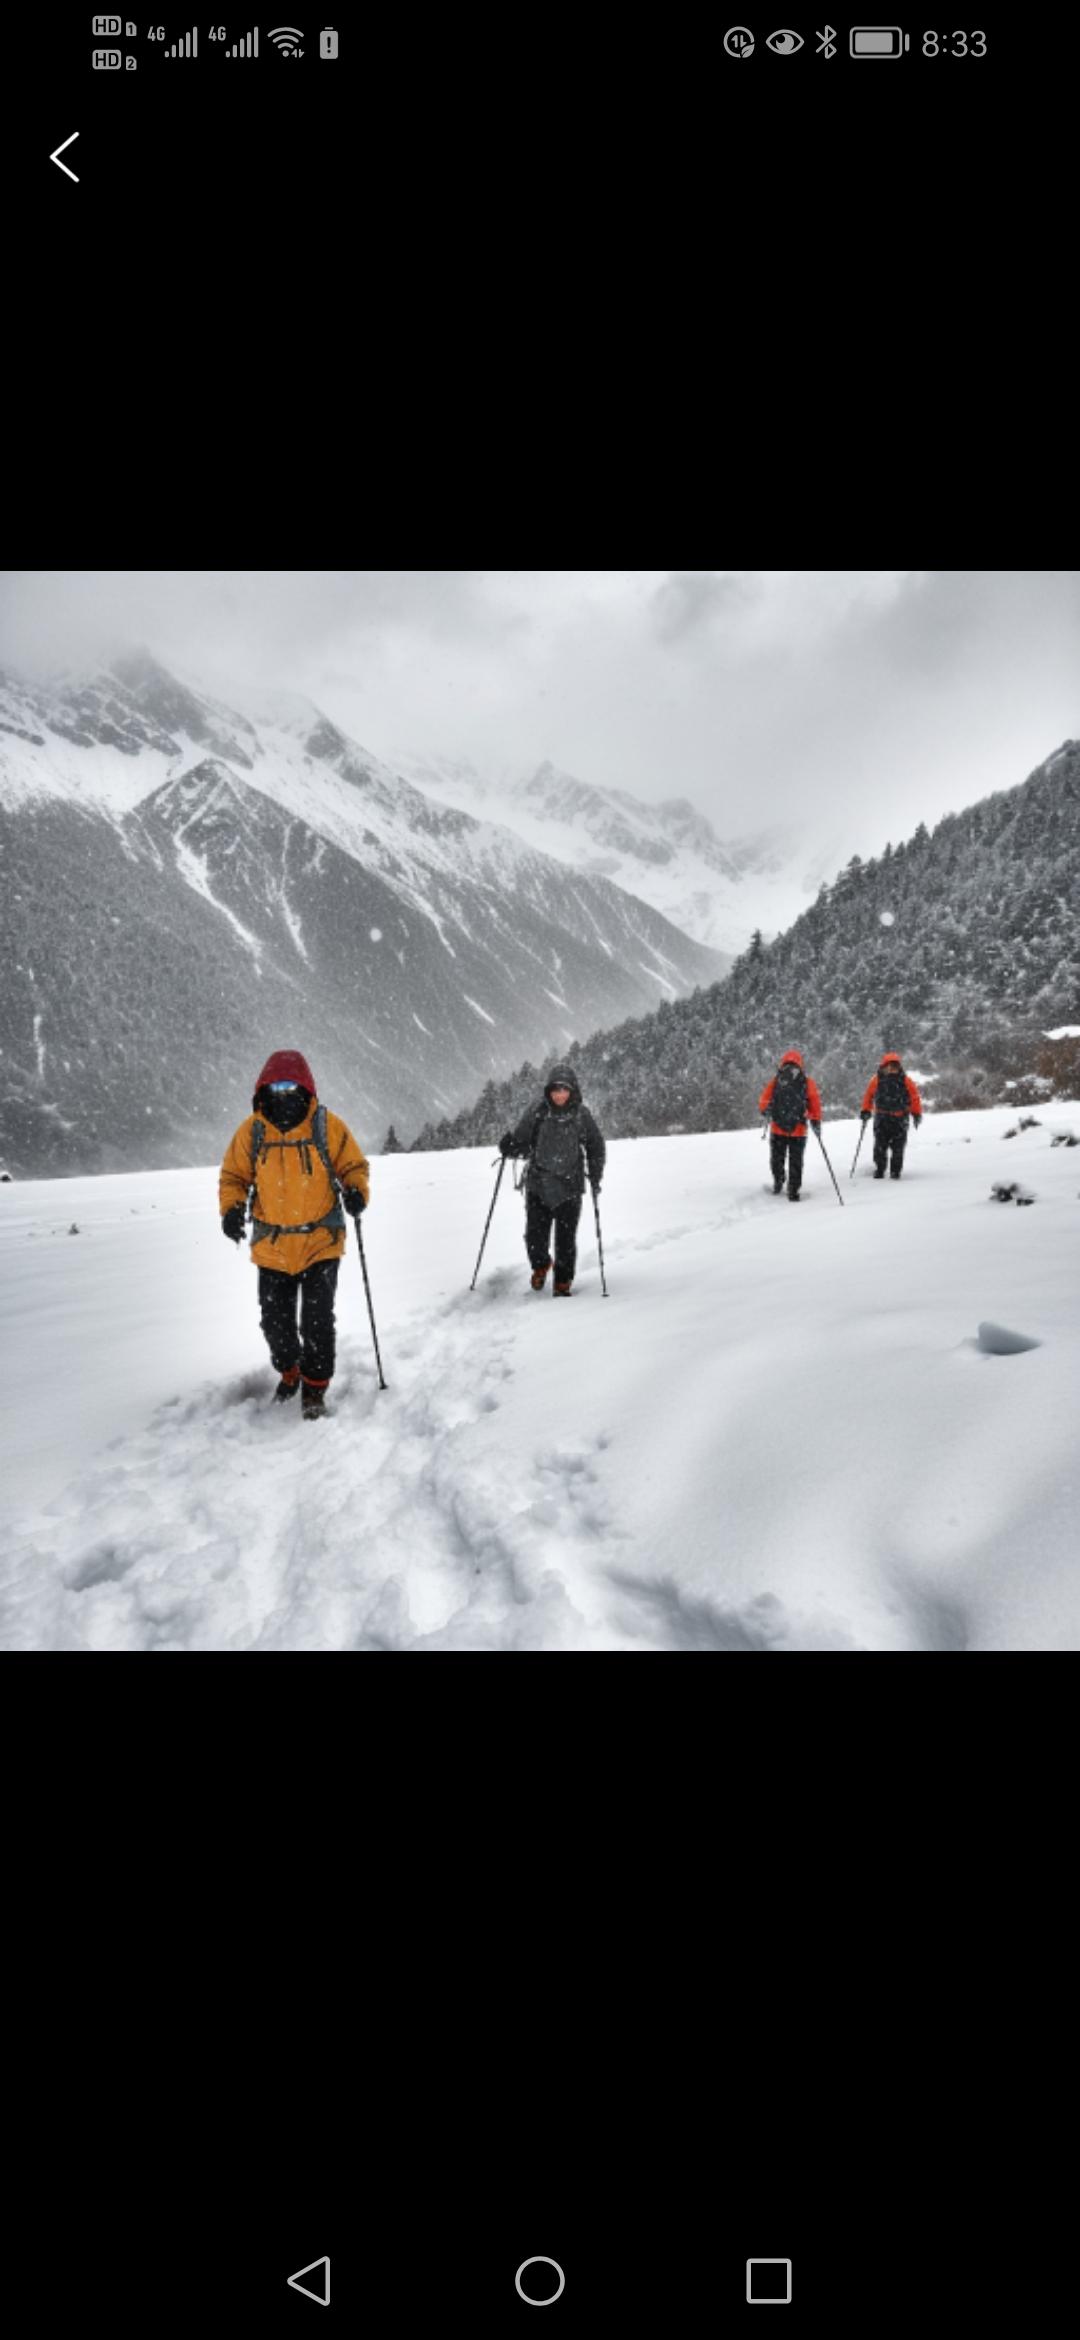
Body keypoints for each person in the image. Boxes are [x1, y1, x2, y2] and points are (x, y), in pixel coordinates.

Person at [219, 1049, 370, 1417]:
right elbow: (234, 1177)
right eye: (274, 1086)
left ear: (304, 1086)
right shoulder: (252, 1131)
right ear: (263, 1088)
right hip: (272, 1246)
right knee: (275, 1323)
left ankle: (315, 1389)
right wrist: (231, 1209)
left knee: (317, 1321)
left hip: (320, 1241)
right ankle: (290, 1371)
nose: (282, 1093)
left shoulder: (325, 1126)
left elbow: (353, 1164)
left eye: (289, 1085)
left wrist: (356, 1191)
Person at [498, 1063, 605, 1294]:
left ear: (572, 1090)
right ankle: (541, 1265)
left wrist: (596, 1174)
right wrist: (509, 1146)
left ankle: (563, 1282)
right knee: (534, 1237)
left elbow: (596, 1145)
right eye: (556, 1089)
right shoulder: (537, 1111)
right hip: (538, 1184)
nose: (560, 1094)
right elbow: (522, 1141)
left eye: (564, 1089)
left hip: (570, 1187)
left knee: (565, 1241)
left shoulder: (581, 1115)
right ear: (549, 1090)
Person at [759, 1048, 823, 1201]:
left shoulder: (776, 1081)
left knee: (777, 1158)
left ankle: (779, 1181)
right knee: (796, 1161)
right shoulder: (807, 1082)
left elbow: (764, 1101)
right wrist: (815, 1120)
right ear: (800, 1064)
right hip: (799, 1130)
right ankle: (793, 1190)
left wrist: (766, 1110)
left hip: (777, 1128)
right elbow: (815, 1103)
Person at [860, 1052, 922, 1180]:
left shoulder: (906, 1081)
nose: (892, 1068)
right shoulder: (876, 1080)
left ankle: (895, 1172)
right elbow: (868, 1096)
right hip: (881, 1118)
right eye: (889, 1065)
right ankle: (880, 1169)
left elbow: (914, 1097)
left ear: (899, 1066)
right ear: (883, 1066)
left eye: (895, 1066)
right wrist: (866, 1110)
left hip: (900, 1119)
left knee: (898, 1148)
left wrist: (916, 1113)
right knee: (879, 1147)